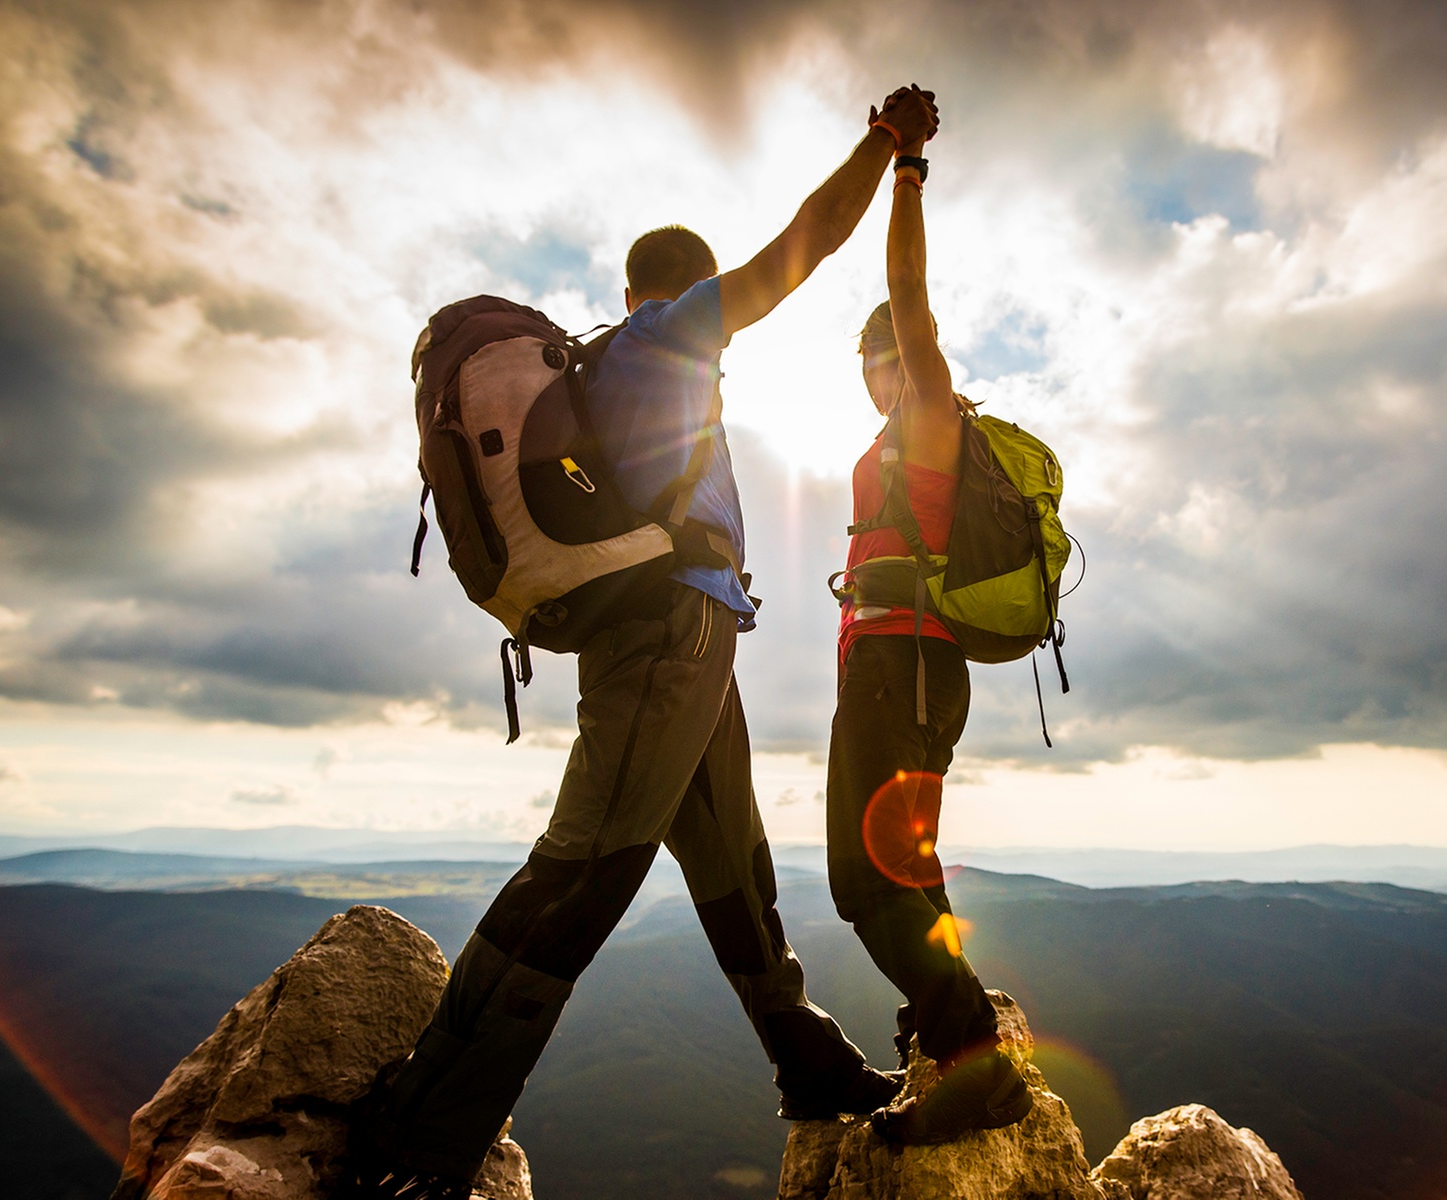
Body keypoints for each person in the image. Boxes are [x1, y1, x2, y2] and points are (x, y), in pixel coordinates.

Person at [348, 86, 942, 1200]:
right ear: (672, 292)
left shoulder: (623, 359)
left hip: (697, 641)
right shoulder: (665, 338)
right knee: (583, 873)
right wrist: (887, 147)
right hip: (668, 640)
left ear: (624, 287)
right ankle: (423, 1136)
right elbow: (798, 253)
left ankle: (805, 1062)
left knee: (735, 873)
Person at [827, 117, 1035, 1144]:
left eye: (887, 357)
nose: (882, 371)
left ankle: (974, 1071)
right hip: (905, 668)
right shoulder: (898, 442)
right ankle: (950, 1026)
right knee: (908, 869)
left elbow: (910, 297)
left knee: (860, 882)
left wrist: (904, 172)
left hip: (900, 668)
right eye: (872, 362)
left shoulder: (930, 415)